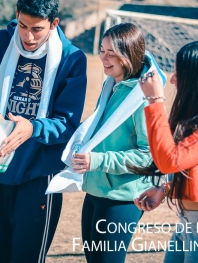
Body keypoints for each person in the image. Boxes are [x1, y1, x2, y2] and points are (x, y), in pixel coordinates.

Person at [0, 0, 87, 262]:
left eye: (37, 29)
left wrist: (33, 128)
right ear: (17, 14)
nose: (28, 36)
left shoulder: (72, 59)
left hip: (39, 176)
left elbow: (66, 124)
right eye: (22, 25)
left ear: (54, 23)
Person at [68, 23, 166, 263]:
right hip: (95, 191)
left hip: (123, 198)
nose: (104, 57)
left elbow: (148, 156)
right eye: (102, 50)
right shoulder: (110, 84)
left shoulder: (142, 96)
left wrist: (97, 160)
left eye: (112, 53)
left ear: (129, 54)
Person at [133, 41, 198, 263]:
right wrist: (166, 188)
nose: (172, 79)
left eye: (180, 72)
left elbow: (169, 160)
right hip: (186, 221)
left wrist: (155, 101)